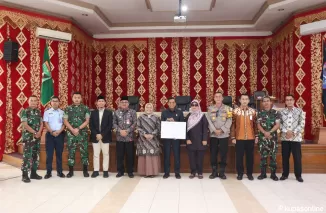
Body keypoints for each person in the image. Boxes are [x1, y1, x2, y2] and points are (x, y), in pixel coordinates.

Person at [231, 94, 258, 181]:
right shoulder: (235, 111)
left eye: (246, 99)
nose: (245, 101)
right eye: (243, 99)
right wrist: (233, 137)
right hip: (239, 138)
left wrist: (256, 136)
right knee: (239, 157)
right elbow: (233, 125)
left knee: (250, 157)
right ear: (240, 100)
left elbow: (255, 125)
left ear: (249, 101)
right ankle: (240, 173)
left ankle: (249, 173)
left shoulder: (253, 112)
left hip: (250, 138)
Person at [63, 92, 90, 178]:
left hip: (82, 133)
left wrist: (78, 129)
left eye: (78, 97)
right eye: (75, 97)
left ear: (81, 98)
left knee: (84, 152)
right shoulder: (67, 108)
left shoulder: (86, 108)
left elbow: (87, 121)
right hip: (71, 134)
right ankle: (71, 172)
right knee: (71, 152)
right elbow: (65, 121)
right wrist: (72, 129)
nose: (77, 99)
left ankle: (85, 171)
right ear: (72, 98)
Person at [206, 92, 232, 179]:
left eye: (219, 97)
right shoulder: (210, 109)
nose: (218, 98)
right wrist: (214, 130)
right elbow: (208, 121)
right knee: (213, 154)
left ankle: (222, 172)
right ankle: (214, 172)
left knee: (223, 154)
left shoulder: (228, 108)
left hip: (224, 135)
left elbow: (229, 121)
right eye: (216, 97)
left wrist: (222, 130)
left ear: (222, 98)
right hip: (213, 135)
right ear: (214, 98)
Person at [280, 95, 305, 182]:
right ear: (285, 102)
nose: (289, 101)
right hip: (285, 137)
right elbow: (280, 124)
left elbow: (301, 124)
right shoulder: (281, 112)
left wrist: (293, 132)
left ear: (294, 101)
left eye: (291, 100)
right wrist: (286, 131)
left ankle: (298, 175)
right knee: (285, 157)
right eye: (287, 100)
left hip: (296, 138)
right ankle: (285, 174)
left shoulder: (299, 111)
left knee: (297, 157)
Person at [257, 96, 281, 181]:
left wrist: (269, 132)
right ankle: (263, 174)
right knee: (263, 156)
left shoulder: (276, 113)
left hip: (272, 138)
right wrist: (264, 132)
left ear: (271, 102)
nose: (266, 103)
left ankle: (273, 174)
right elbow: (258, 125)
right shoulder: (259, 113)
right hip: (262, 138)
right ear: (262, 103)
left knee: (273, 156)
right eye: (264, 101)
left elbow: (277, 124)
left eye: (268, 101)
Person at [20, 95, 44, 183]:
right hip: (28, 137)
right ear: (28, 102)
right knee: (27, 156)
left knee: (35, 155)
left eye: (35, 101)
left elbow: (41, 123)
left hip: (37, 137)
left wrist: (39, 132)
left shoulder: (38, 112)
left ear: (37, 102)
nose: (33, 102)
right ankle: (25, 175)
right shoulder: (25, 111)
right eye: (31, 101)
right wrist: (34, 132)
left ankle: (33, 173)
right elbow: (25, 124)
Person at [113, 96, 137, 178]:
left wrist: (127, 131)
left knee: (130, 155)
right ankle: (120, 171)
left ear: (128, 104)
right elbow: (114, 123)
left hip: (129, 137)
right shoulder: (116, 112)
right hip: (119, 137)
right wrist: (120, 131)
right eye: (122, 102)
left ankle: (130, 171)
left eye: (125, 102)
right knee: (120, 155)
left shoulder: (133, 112)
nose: (124, 104)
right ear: (120, 104)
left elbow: (134, 123)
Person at [89, 95, 113, 178]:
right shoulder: (93, 112)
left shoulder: (109, 113)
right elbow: (91, 125)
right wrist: (97, 134)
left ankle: (105, 171)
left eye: (102, 101)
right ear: (97, 103)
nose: (101, 102)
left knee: (106, 154)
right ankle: (96, 170)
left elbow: (110, 125)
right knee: (96, 154)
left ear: (105, 103)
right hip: (95, 137)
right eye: (99, 101)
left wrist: (102, 134)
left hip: (105, 136)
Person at [161, 97, 185, 179]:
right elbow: (162, 124)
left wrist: (175, 122)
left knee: (176, 155)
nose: (171, 104)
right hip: (167, 137)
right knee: (166, 155)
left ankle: (177, 172)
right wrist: (167, 122)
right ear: (167, 103)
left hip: (176, 137)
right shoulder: (164, 113)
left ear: (175, 103)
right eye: (170, 102)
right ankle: (166, 172)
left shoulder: (180, 112)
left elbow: (182, 124)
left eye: (173, 102)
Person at [136, 103, 161, 178]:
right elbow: (138, 127)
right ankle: (144, 172)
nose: (149, 108)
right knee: (144, 155)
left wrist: (152, 134)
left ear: (153, 108)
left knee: (152, 155)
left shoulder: (156, 117)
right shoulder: (140, 117)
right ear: (144, 108)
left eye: (150, 107)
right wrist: (144, 134)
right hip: (143, 139)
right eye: (147, 107)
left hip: (153, 139)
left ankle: (153, 172)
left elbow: (158, 128)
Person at [43, 96, 65, 179]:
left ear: (59, 103)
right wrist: (52, 132)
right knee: (49, 155)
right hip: (50, 135)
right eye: (53, 101)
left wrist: (59, 132)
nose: (55, 102)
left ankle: (60, 172)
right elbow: (46, 123)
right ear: (51, 103)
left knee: (59, 154)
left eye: (56, 101)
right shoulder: (47, 112)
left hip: (60, 135)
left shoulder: (62, 112)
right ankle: (48, 172)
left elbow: (64, 123)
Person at [185, 100, 208, 179]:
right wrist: (187, 139)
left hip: (201, 141)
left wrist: (205, 139)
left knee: (200, 158)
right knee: (192, 158)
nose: (194, 107)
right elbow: (185, 129)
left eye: (196, 105)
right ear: (191, 107)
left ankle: (200, 172)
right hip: (190, 140)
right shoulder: (188, 116)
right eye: (192, 105)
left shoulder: (202, 116)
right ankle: (193, 172)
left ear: (198, 106)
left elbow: (205, 128)